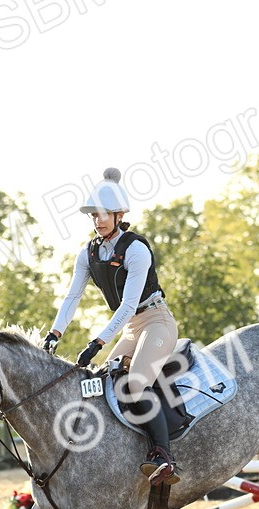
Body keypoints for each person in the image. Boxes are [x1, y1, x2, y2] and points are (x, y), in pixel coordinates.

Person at [43, 167, 181, 485]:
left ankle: (163, 455)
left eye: (104, 214)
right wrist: (55, 332)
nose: (98, 220)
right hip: (132, 328)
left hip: (157, 322)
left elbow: (129, 306)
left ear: (119, 214)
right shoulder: (89, 253)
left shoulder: (136, 249)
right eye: (94, 215)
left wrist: (98, 342)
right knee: (105, 386)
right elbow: (72, 296)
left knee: (134, 384)